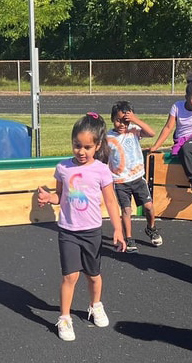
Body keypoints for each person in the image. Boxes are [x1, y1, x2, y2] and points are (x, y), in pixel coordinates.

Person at [37, 113, 127, 341]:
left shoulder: (101, 170)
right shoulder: (63, 168)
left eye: (87, 147)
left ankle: (95, 305)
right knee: (70, 276)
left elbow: (110, 201)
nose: (81, 151)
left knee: (93, 275)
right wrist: (50, 198)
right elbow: (60, 196)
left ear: (97, 146)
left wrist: (118, 229)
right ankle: (65, 318)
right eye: (77, 145)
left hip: (92, 232)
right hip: (68, 231)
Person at [149, 73, 192, 200]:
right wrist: (155, 146)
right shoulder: (177, 106)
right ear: (186, 97)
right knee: (177, 157)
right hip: (180, 140)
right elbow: (168, 127)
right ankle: (181, 188)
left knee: (187, 150)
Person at [106, 100, 161, 252]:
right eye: (118, 120)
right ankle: (129, 239)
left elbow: (151, 133)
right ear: (112, 119)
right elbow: (103, 157)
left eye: (125, 121)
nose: (122, 125)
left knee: (149, 207)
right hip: (120, 181)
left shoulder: (134, 130)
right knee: (126, 210)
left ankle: (151, 228)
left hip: (137, 178)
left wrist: (135, 120)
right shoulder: (108, 137)